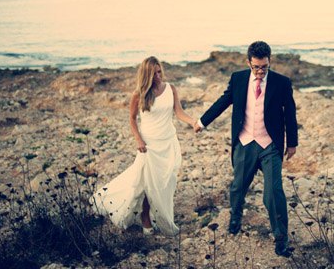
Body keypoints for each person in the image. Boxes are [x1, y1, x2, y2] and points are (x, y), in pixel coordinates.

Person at [195, 41, 298, 257]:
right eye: (256, 67)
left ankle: (281, 238)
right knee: (238, 187)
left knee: (273, 193)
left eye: (264, 67)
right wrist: (202, 121)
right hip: (245, 142)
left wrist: (292, 143)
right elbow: (223, 102)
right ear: (248, 62)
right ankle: (236, 216)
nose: (260, 71)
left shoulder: (281, 83)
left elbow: (290, 112)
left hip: (270, 145)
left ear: (269, 62)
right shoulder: (238, 78)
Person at [92, 56, 197, 236]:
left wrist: (193, 122)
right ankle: (145, 216)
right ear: (146, 75)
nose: (158, 76)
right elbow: (132, 119)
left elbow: (179, 112)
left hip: (168, 141)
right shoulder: (139, 94)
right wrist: (138, 140)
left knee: (166, 180)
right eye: (154, 73)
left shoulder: (170, 88)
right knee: (149, 182)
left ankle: (161, 212)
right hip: (149, 144)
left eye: (159, 71)